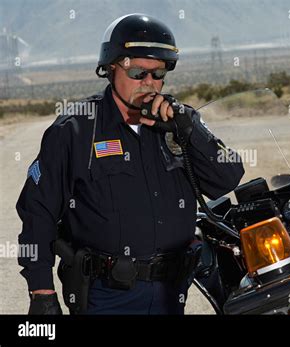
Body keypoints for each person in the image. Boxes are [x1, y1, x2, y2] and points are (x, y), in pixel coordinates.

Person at [17, 13, 245, 315]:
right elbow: (37, 214)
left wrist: (191, 131)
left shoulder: (177, 123)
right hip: (106, 296)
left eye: (159, 73)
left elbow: (228, 178)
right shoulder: (75, 130)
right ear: (111, 68)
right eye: (138, 72)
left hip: (171, 291)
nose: (149, 83)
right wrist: (41, 294)